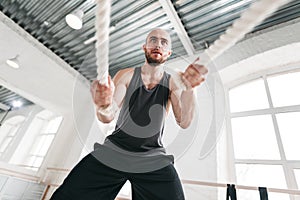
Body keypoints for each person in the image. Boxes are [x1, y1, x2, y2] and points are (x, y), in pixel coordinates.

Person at [51, 28, 208, 200]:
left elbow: (184, 122)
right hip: (113, 151)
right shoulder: (126, 75)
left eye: (164, 42)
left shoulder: (173, 82)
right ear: (144, 47)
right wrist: (102, 104)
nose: (158, 44)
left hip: (152, 158)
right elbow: (108, 116)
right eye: (153, 40)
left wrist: (190, 89)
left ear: (169, 52)